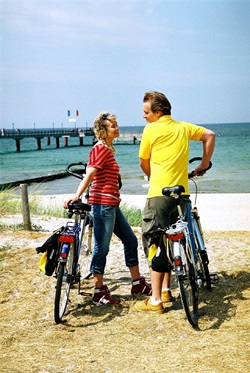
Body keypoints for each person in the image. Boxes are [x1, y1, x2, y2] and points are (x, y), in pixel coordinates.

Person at [135, 91, 215, 313]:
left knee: (155, 243)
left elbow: (143, 163)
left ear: (158, 112)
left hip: (159, 194)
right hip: (182, 195)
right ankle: (165, 290)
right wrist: (203, 165)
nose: (144, 116)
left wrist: (153, 176)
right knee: (172, 240)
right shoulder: (182, 127)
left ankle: (155, 301)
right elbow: (210, 135)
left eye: (146, 112)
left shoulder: (151, 129)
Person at [64, 111, 151, 305]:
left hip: (111, 204)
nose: (117, 128)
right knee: (101, 249)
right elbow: (90, 174)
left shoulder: (107, 150)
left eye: (116, 125)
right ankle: (98, 291)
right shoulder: (100, 149)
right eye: (113, 126)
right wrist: (77, 195)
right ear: (103, 131)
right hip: (102, 205)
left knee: (129, 240)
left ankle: (137, 284)